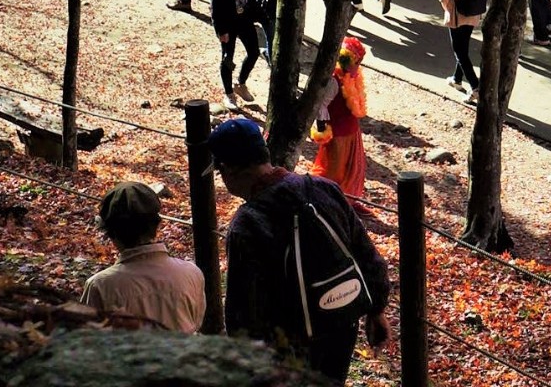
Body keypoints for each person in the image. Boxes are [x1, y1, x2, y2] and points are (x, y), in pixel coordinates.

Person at [208, 114, 389, 384]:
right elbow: (366, 254)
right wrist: (376, 311)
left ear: (229, 169)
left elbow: (244, 310)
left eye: (220, 172)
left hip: (288, 349)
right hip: (341, 323)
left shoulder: (248, 223)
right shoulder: (324, 189)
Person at [82, 181, 205, 331]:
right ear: (156, 225)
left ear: (111, 233)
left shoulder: (100, 286)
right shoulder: (191, 273)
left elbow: (89, 340)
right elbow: (197, 322)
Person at [311, 35, 369, 202]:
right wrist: (322, 127)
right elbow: (321, 104)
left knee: (352, 170)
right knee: (334, 171)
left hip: (352, 131)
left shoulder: (352, 77)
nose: (358, 66)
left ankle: (347, 201)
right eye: (357, 62)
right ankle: (327, 201)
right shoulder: (333, 81)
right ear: (347, 59)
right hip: (338, 135)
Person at [439, 0, 486, 97]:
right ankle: (456, 79)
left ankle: (475, 86)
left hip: (457, 17)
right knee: (463, 48)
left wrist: (450, 10)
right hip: (472, 16)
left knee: (460, 52)